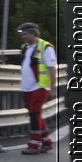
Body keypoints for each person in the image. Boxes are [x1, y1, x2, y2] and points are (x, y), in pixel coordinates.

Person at [17, 22, 57, 154]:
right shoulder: (25, 48)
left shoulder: (46, 47)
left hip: (40, 86)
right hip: (27, 87)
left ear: (34, 33)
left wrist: (52, 88)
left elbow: (52, 68)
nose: (23, 37)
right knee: (35, 114)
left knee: (34, 113)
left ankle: (33, 144)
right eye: (22, 34)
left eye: (25, 34)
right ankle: (46, 141)